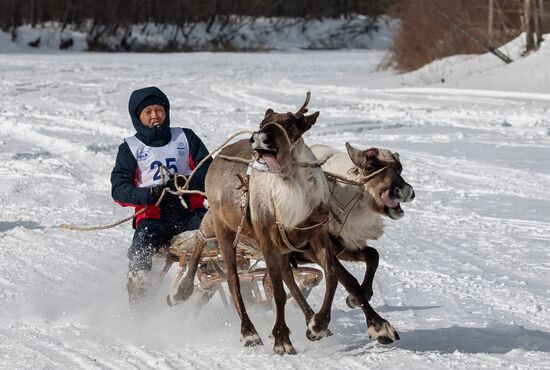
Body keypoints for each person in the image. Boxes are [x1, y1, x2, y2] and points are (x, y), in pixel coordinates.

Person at [110, 86, 211, 305]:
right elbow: (119, 188)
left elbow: (209, 169)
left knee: (221, 238)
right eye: (148, 112)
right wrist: (149, 194)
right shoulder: (130, 148)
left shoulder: (185, 137)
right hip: (153, 218)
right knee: (141, 252)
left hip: (191, 212)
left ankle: (212, 290)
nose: (155, 116)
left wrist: (189, 182)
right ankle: (139, 305)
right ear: (138, 117)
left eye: (159, 110)